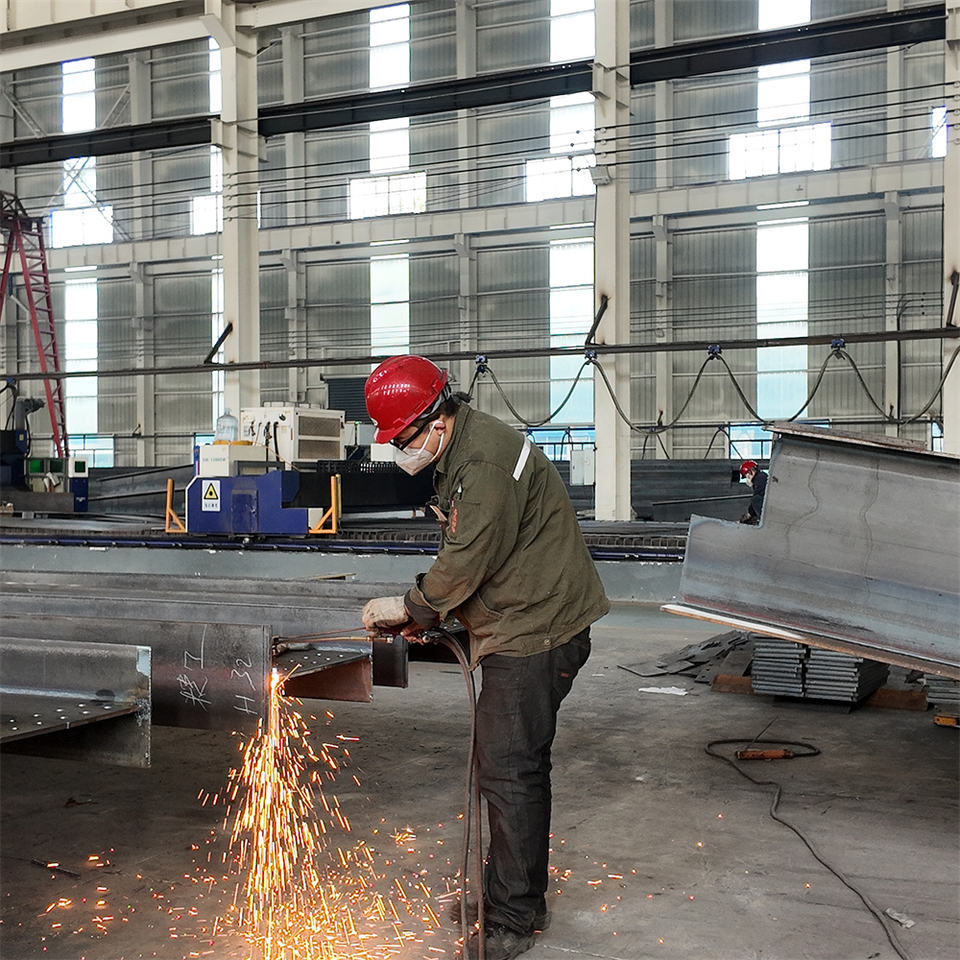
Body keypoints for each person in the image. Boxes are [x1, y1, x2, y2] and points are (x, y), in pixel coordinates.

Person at [360, 355, 609, 960]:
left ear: (437, 420)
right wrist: (432, 613)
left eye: (405, 439)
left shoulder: (483, 463)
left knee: (508, 769)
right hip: (526, 617)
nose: (402, 451)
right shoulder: (466, 446)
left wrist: (412, 606)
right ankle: (512, 896)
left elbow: (468, 557)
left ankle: (513, 917)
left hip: (535, 631)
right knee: (509, 765)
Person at [738, 459, 767, 524]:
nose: (747, 477)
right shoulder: (759, 478)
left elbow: (759, 495)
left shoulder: (760, 478)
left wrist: (750, 514)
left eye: (746, 475)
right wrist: (750, 513)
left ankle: (764, 519)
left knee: (756, 499)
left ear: (750, 471)